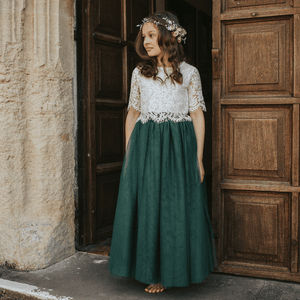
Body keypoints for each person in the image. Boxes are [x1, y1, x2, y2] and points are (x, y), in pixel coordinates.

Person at [109, 11, 215, 294]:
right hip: (146, 147)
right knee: (149, 206)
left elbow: (197, 116)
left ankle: (171, 272)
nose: (145, 41)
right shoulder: (139, 73)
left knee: (175, 208)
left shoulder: (190, 73)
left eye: (151, 35)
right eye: (143, 36)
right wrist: (130, 154)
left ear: (168, 38)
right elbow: (132, 114)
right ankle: (152, 271)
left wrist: (199, 160)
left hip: (179, 149)